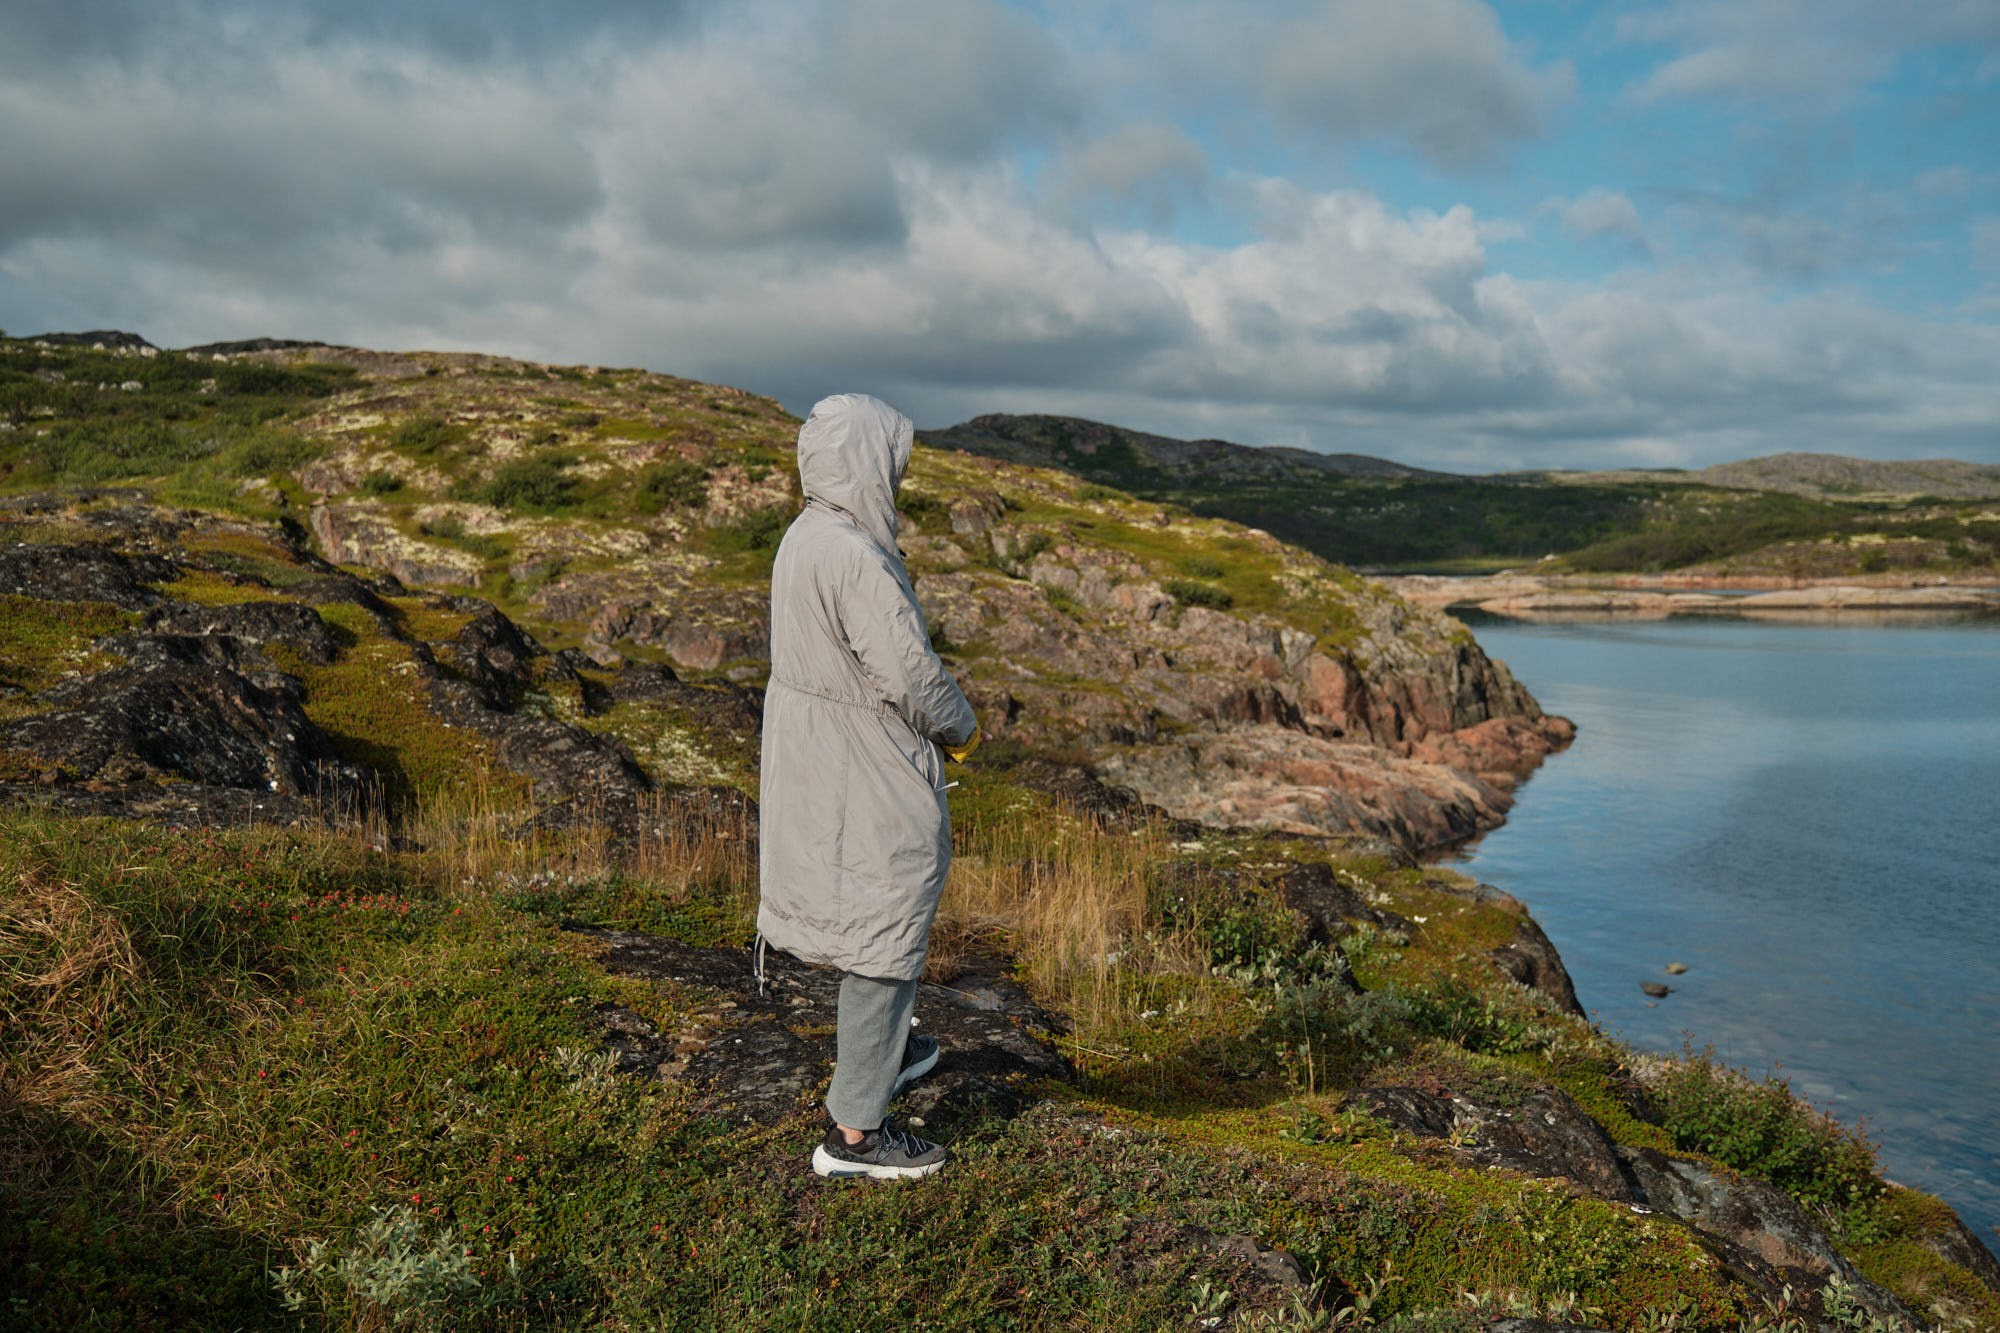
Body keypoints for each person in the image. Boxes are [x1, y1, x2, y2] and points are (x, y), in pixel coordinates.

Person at [755, 392, 980, 1180]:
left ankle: (888, 1050)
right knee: (887, 911)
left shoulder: (805, 535)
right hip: (866, 759)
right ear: (865, 462)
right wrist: (961, 724)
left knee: (868, 907)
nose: (899, 477)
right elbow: (907, 671)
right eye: (892, 462)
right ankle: (856, 1134)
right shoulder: (854, 553)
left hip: (821, 751)